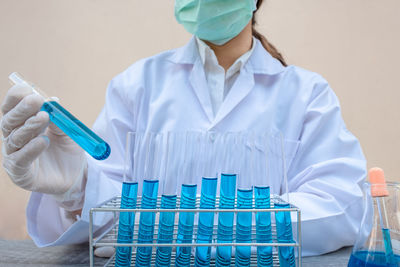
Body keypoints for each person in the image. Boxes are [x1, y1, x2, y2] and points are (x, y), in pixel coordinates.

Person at [1, 0, 366, 257]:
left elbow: (341, 206)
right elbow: (109, 214)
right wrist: (77, 186)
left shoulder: (306, 94)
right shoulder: (137, 85)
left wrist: (200, 228)